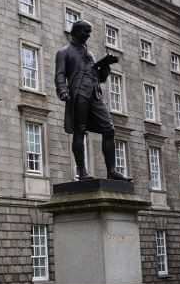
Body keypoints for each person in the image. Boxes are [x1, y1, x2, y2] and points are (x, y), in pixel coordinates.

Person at [54, 20, 130, 181]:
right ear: (75, 32)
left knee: (109, 129)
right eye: (85, 32)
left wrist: (105, 67)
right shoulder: (64, 52)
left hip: (95, 95)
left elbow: (99, 78)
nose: (88, 35)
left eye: (89, 32)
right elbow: (60, 74)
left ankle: (111, 171)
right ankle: (82, 171)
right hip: (79, 94)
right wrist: (62, 90)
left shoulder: (91, 54)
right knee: (79, 131)